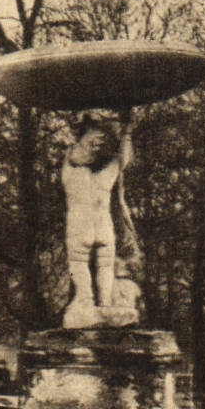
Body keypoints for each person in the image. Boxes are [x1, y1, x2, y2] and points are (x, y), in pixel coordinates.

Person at [61, 112, 138, 329]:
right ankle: (100, 303)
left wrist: (125, 134)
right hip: (100, 224)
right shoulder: (101, 178)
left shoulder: (73, 174)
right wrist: (127, 134)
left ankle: (89, 302)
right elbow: (122, 161)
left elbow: (76, 157)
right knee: (101, 264)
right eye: (92, 145)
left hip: (82, 224)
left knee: (81, 263)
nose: (95, 150)